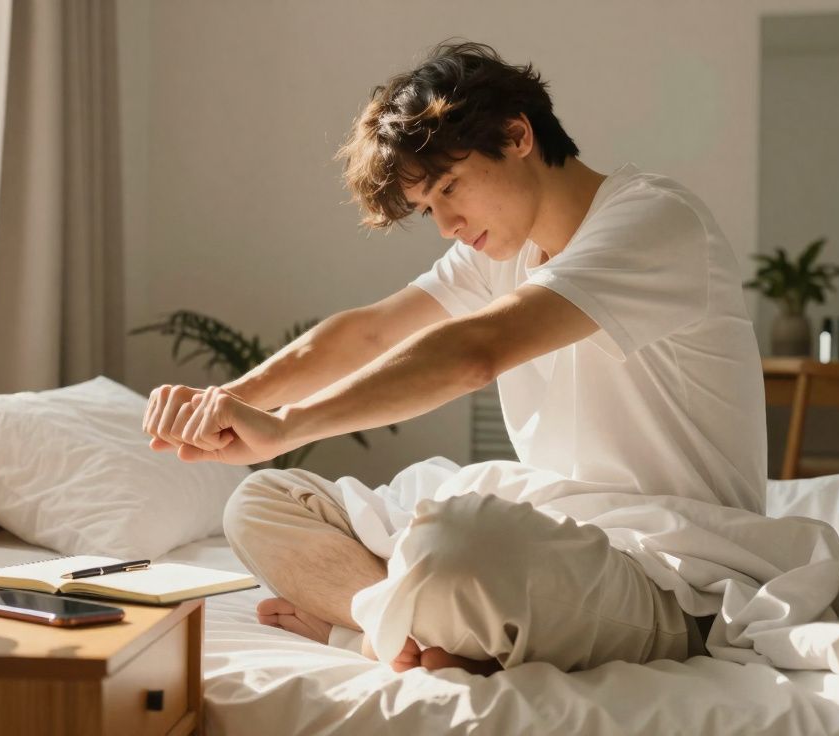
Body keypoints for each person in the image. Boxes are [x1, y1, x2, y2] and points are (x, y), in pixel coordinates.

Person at [140, 40, 766, 675]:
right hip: (552, 536)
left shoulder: (656, 221)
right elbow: (370, 334)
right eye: (427, 209)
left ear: (517, 135)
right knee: (259, 504)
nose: (445, 225)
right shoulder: (499, 249)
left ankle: (366, 624)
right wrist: (232, 401)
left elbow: (477, 352)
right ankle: (405, 631)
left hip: (673, 574)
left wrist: (288, 427)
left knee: (458, 543)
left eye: (449, 188)